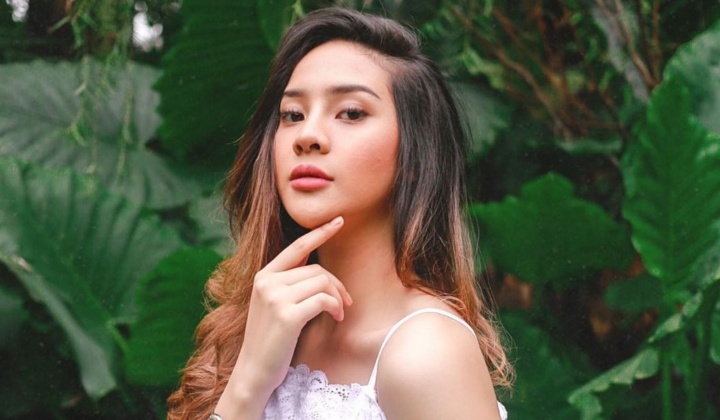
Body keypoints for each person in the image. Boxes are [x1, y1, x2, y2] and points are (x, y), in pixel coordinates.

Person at [167, 8, 512, 420]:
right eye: (292, 115)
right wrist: (249, 378)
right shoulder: (265, 325)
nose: (307, 136)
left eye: (350, 112)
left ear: (415, 155)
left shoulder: (427, 352)